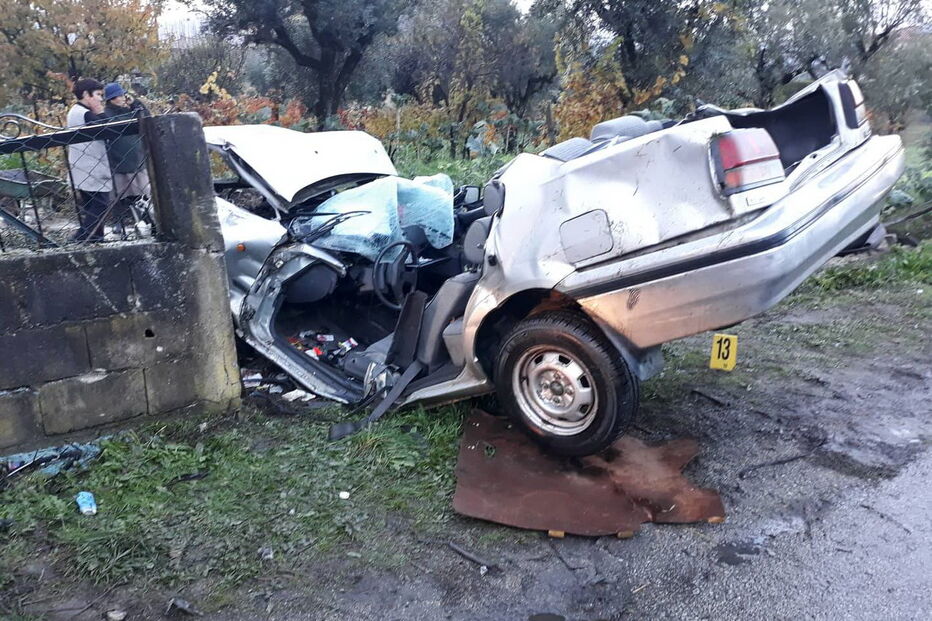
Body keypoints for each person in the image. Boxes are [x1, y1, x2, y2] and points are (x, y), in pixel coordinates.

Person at [100, 82, 151, 232]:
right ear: (112, 99)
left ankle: (146, 221)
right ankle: (119, 223)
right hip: (118, 162)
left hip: (137, 160)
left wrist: (135, 103)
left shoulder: (131, 111)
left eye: (123, 95)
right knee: (119, 197)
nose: (123, 98)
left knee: (143, 195)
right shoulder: (107, 114)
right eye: (119, 96)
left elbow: (147, 117)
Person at [67, 78, 112, 242]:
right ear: (86, 94)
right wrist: (100, 112)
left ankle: (96, 238)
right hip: (91, 167)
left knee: (92, 205)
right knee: (101, 204)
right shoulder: (84, 113)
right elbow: (108, 130)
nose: (101, 99)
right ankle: (81, 238)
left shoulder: (76, 111)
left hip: (83, 166)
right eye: (98, 94)